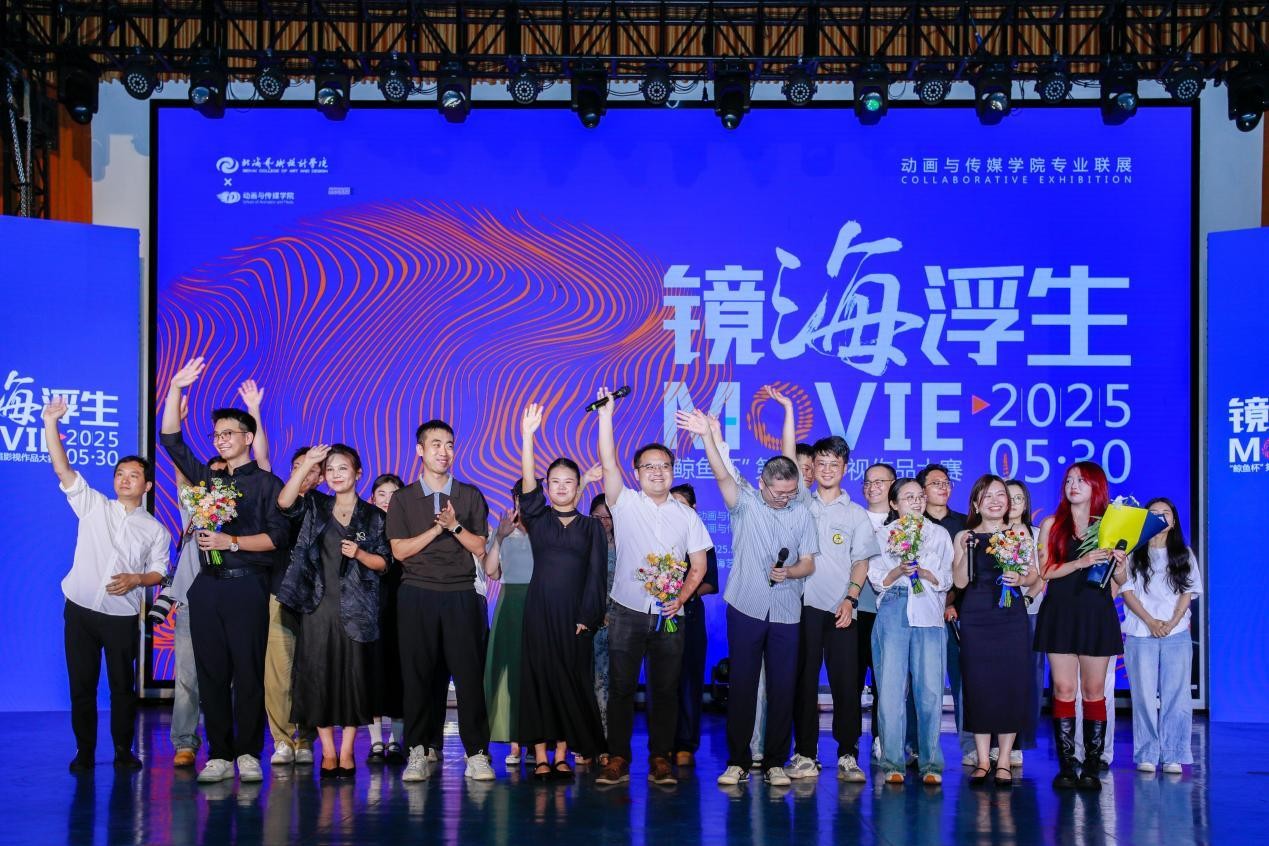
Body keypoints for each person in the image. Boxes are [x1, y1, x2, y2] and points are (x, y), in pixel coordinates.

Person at [159, 358, 292, 783]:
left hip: (247, 586)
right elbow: (171, 440)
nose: (220, 440)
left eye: (228, 434)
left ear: (247, 438)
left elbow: (276, 538)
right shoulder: (210, 481)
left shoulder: (267, 484)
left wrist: (230, 542)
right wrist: (175, 388)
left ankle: (248, 752)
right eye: (216, 435)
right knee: (211, 673)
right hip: (206, 588)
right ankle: (219, 753)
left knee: (248, 673)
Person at [677, 404, 817, 789]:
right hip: (746, 607)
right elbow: (722, 473)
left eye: (791, 492)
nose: (785, 498)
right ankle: (738, 761)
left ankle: (775, 762)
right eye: (779, 492)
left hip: (787, 611)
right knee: (743, 685)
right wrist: (708, 436)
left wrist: (790, 572)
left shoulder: (802, 513)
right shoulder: (744, 504)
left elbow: (808, 562)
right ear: (762, 484)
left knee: (783, 688)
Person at [43, 397, 170, 772]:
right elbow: (62, 468)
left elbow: (159, 572)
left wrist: (137, 579)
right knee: (81, 687)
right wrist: (51, 423)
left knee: (121, 689)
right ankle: (84, 751)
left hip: (120, 617)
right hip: (80, 611)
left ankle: (122, 751)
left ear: (146, 485)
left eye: (133, 475)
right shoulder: (94, 505)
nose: (124, 479)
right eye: (119, 474)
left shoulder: (156, 530)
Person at [592, 387, 711, 787]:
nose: (657, 472)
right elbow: (608, 463)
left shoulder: (687, 516)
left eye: (664, 466)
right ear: (637, 472)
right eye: (649, 467)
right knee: (622, 687)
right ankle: (618, 757)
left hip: (668, 616)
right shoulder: (624, 502)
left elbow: (698, 565)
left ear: (673, 470)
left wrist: (680, 599)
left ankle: (660, 757)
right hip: (626, 610)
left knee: (665, 688)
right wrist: (606, 417)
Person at [385, 419, 495, 782]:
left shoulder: (469, 495)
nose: (443, 452)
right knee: (417, 676)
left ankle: (477, 753)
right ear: (420, 450)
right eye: (435, 444)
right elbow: (399, 551)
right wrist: (436, 528)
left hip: (462, 594)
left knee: (469, 677)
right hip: (417, 593)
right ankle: (417, 750)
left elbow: (479, 547)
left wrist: (454, 526)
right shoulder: (403, 499)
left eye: (449, 444)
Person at [277, 444, 389, 778]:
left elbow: (384, 563)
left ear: (358, 473)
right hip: (317, 605)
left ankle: (347, 750)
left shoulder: (374, 516)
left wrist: (360, 554)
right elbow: (284, 503)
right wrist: (308, 463)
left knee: (354, 677)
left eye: (343, 468)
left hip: (358, 606)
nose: (336, 475)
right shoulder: (316, 505)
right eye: (330, 469)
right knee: (318, 676)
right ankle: (327, 751)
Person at [515, 403, 608, 779]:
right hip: (539, 612)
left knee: (571, 682)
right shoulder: (538, 519)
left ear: (578, 486)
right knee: (538, 681)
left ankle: (562, 754)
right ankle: (540, 755)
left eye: (569, 481)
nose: (562, 487)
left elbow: (597, 576)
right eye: (554, 481)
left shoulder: (591, 527)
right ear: (547, 487)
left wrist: (588, 616)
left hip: (575, 618)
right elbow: (528, 488)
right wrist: (528, 437)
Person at [789, 434, 879, 783]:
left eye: (834, 464)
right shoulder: (800, 505)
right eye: (821, 464)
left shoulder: (855, 514)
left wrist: (851, 598)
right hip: (804, 608)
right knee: (804, 684)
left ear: (845, 468)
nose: (827, 470)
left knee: (846, 685)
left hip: (842, 610)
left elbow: (861, 562)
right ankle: (805, 753)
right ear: (812, 468)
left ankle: (848, 754)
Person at [1034, 461, 1127, 791]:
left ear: (1096, 487)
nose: (1073, 486)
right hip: (1060, 612)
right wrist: (1081, 561)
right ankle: (1066, 765)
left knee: (1094, 691)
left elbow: (1121, 580)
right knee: (1063, 689)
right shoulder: (1052, 524)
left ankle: (1091, 764)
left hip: (1095, 613)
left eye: (1082, 481)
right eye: (1069, 480)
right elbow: (1045, 571)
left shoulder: (1109, 527)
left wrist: (1120, 564)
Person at [952, 475, 1038, 788]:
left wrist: (1021, 580)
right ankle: (982, 759)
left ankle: (1003, 760)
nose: (995, 500)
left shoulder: (1019, 534)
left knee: (1009, 685)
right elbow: (959, 582)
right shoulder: (965, 536)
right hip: (976, 616)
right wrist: (966, 551)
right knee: (978, 686)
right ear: (976, 503)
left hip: (1010, 616)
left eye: (1000, 495)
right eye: (987, 495)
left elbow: (1033, 575)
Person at [869, 478, 952, 785]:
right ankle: (893, 761)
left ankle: (931, 763)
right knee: (890, 690)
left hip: (928, 611)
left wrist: (926, 573)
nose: (916, 502)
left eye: (920, 496)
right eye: (908, 497)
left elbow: (948, 578)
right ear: (893, 503)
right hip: (894, 607)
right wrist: (898, 570)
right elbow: (876, 578)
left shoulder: (938, 534)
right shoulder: (882, 535)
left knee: (930, 691)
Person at [1121, 497, 1201, 774]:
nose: (1160, 517)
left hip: (1175, 633)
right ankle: (1146, 753)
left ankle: (1174, 754)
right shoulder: (1133, 553)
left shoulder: (1184, 554)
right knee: (1143, 696)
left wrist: (1171, 622)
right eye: (1153, 513)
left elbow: (1187, 593)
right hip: (1140, 632)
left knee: (1177, 696)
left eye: (1165, 513)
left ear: (1173, 521)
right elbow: (1127, 592)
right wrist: (1150, 621)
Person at [269, 442, 322, 769]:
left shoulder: (325, 506)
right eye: (298, 466)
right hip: (279, 593)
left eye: (312, 468)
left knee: (311, 671)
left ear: (321, 477)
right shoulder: (281, 501)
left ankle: (306, 738)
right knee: (278, 671)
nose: (304, 472)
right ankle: (282, 739)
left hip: (315, 598)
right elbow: (285, 501)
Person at [918, 463, 973, 767]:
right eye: (935, 483)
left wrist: (950, 602)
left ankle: (970, 745)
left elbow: (965, 573)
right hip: (922, 615)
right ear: (922, 490)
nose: (943, 487)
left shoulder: (965, 525)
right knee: (921, 684)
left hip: (957, 616)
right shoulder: (911, 524)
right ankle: (917, 746)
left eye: (946, 482)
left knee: (964, 683)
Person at [668, 483, 720, 769]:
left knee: (689, 681)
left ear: (694, 508)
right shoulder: (659, 535)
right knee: (663, 681)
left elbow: (711, 582)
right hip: (662, 614)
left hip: (690, 616)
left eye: (681, 503)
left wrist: (684, 594)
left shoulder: (701, 538)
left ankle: (686, 744)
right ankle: (663, 743)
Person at [483, 487, 534, 765]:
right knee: (511, 668)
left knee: (535, 671)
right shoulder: (502, 530)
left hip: (539, 601)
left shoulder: (545, 528)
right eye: (519, 498)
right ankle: (515, 742)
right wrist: (500, 537)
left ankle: (536, 739)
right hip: (510, 602)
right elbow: (491, 571)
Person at [366, 473, 406, 765]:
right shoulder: (363, 527)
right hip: (369, 607)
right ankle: (376, 741)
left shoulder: (409, 528)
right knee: (373, 674)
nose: (387, 500)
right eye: (382, 494)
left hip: (403, 605)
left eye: (394, 495)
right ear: (372, 499)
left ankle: (396, 741)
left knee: (400, 674)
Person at [859, 462, 896, 763]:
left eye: (880, 481)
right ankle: (848, 745)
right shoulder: (854, 518)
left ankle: (882, 737)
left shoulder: (904, 524)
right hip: (858, 608)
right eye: (868, 482)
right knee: (852, 679)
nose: (873, 487)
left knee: (887, 681)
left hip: (891, 610)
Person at [1006, 479, 1043, 768]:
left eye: (1019, 498)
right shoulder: (991, 534)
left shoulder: (1038, 534)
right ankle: (996, 741)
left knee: (1028, 679)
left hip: (1029, 612)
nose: (1013, 503)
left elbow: (1044, 574)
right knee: (998, 680)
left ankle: (1019, 742)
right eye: (1008, 497)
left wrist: (1026, 599)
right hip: (997, 617)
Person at [585, 492, 616, 767]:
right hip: (588, 625)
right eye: (598, 517)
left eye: (608, 517)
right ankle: (586, 743)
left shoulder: (625, 545)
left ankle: (608, 743)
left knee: (609, 685)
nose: (603, 522)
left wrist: (612, 614)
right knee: (587, 683)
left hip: (618, 624)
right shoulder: (582, 545)